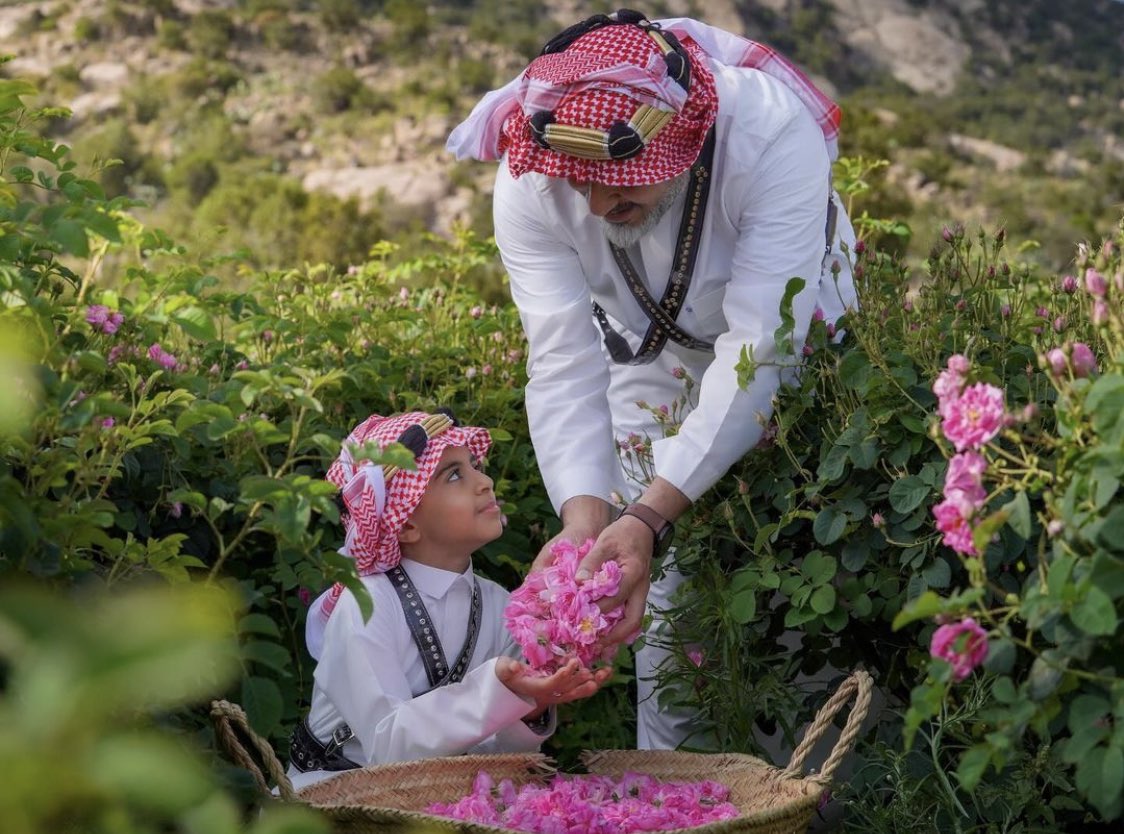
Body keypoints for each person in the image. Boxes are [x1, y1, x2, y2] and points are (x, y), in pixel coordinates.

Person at [447, 8, 858, 749]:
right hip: (647, 357)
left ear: (689, 138)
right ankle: (676, 795)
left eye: (622, 184)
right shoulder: (531, 173)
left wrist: (649, 513)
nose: (601, 206)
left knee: (799, 606)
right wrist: (591, 522)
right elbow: (564, 359)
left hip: (803, 347)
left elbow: (761, 347)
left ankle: (804, 798)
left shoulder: (768, 136)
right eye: (584, 184)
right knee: (667, 625)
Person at [288, 410, 612, 790]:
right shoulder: (366, 605)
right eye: (455, 474)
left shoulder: (500, 605)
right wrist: (497, 690)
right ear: (405, 523)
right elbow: (388, 746)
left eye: (475, 466)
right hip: (334, 798)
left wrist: (533, 702)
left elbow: (492, 754)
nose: (486, 481)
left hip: (440, 799)